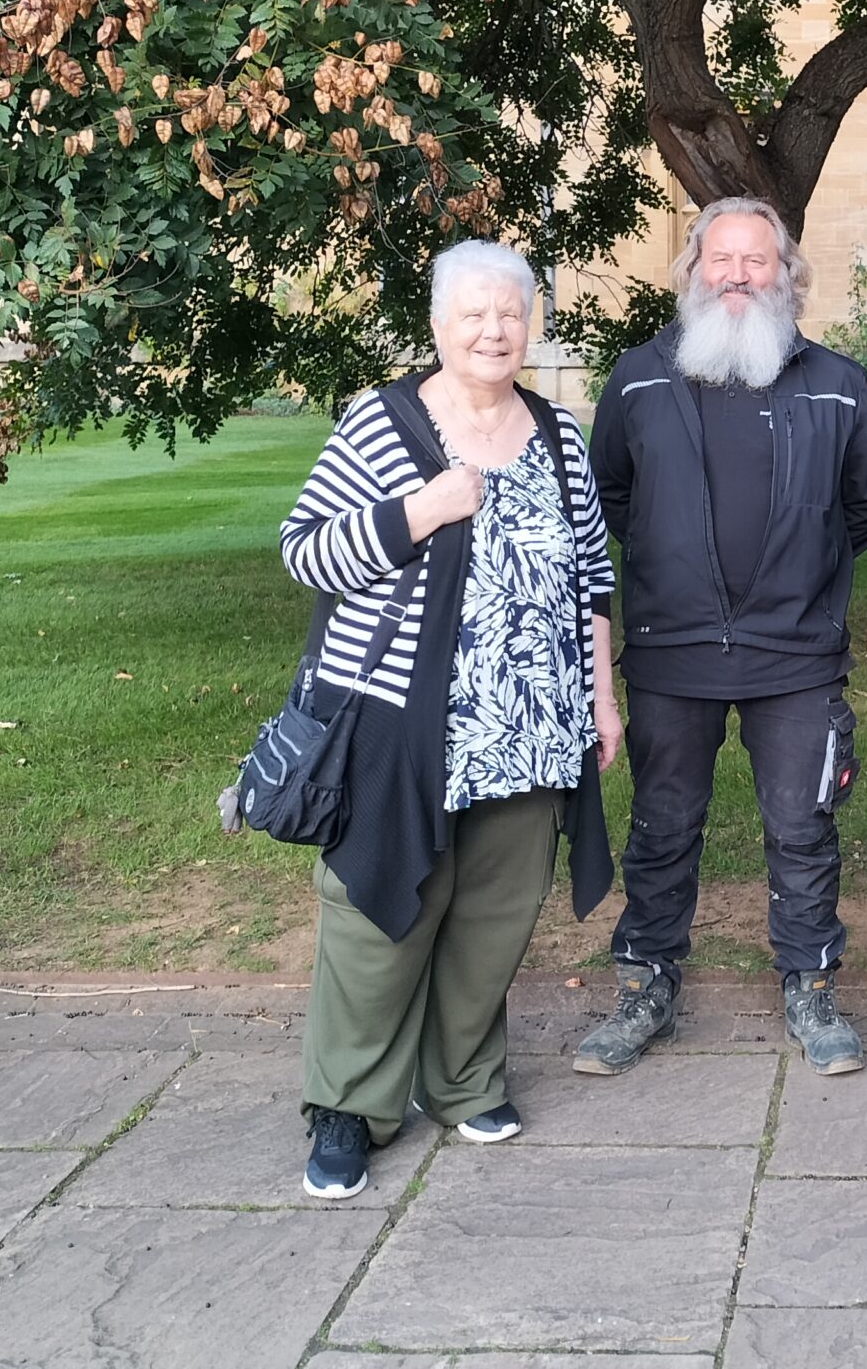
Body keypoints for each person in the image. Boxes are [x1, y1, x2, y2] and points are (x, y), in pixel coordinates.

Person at [280, 239, 621, 1201]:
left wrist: (601, 694)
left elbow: (594, 578)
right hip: (405, 725)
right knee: (381, 911)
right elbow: (304, 554)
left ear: (531, 325)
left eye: (510, 313)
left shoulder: (558, 435)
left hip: (533, 728)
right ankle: (349, 1106)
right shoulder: (382, 427)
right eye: (472, 314)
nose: (492, 329)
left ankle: (463, 1082)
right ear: (437, 326)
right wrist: (417, 514)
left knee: (494, 917)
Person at [579, 195, 867, 1079]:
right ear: (691, 272)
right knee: (662, 823)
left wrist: (807, 561)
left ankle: (811, 983)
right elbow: (610, 495)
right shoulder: (640, 377)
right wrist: (664, 554)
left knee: (803, 828)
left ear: (786, 274)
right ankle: (647, 982)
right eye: (720, 259)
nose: (737, 275)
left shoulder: (838, 383)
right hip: (671, 652)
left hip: (794, 655)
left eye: (756, 260)